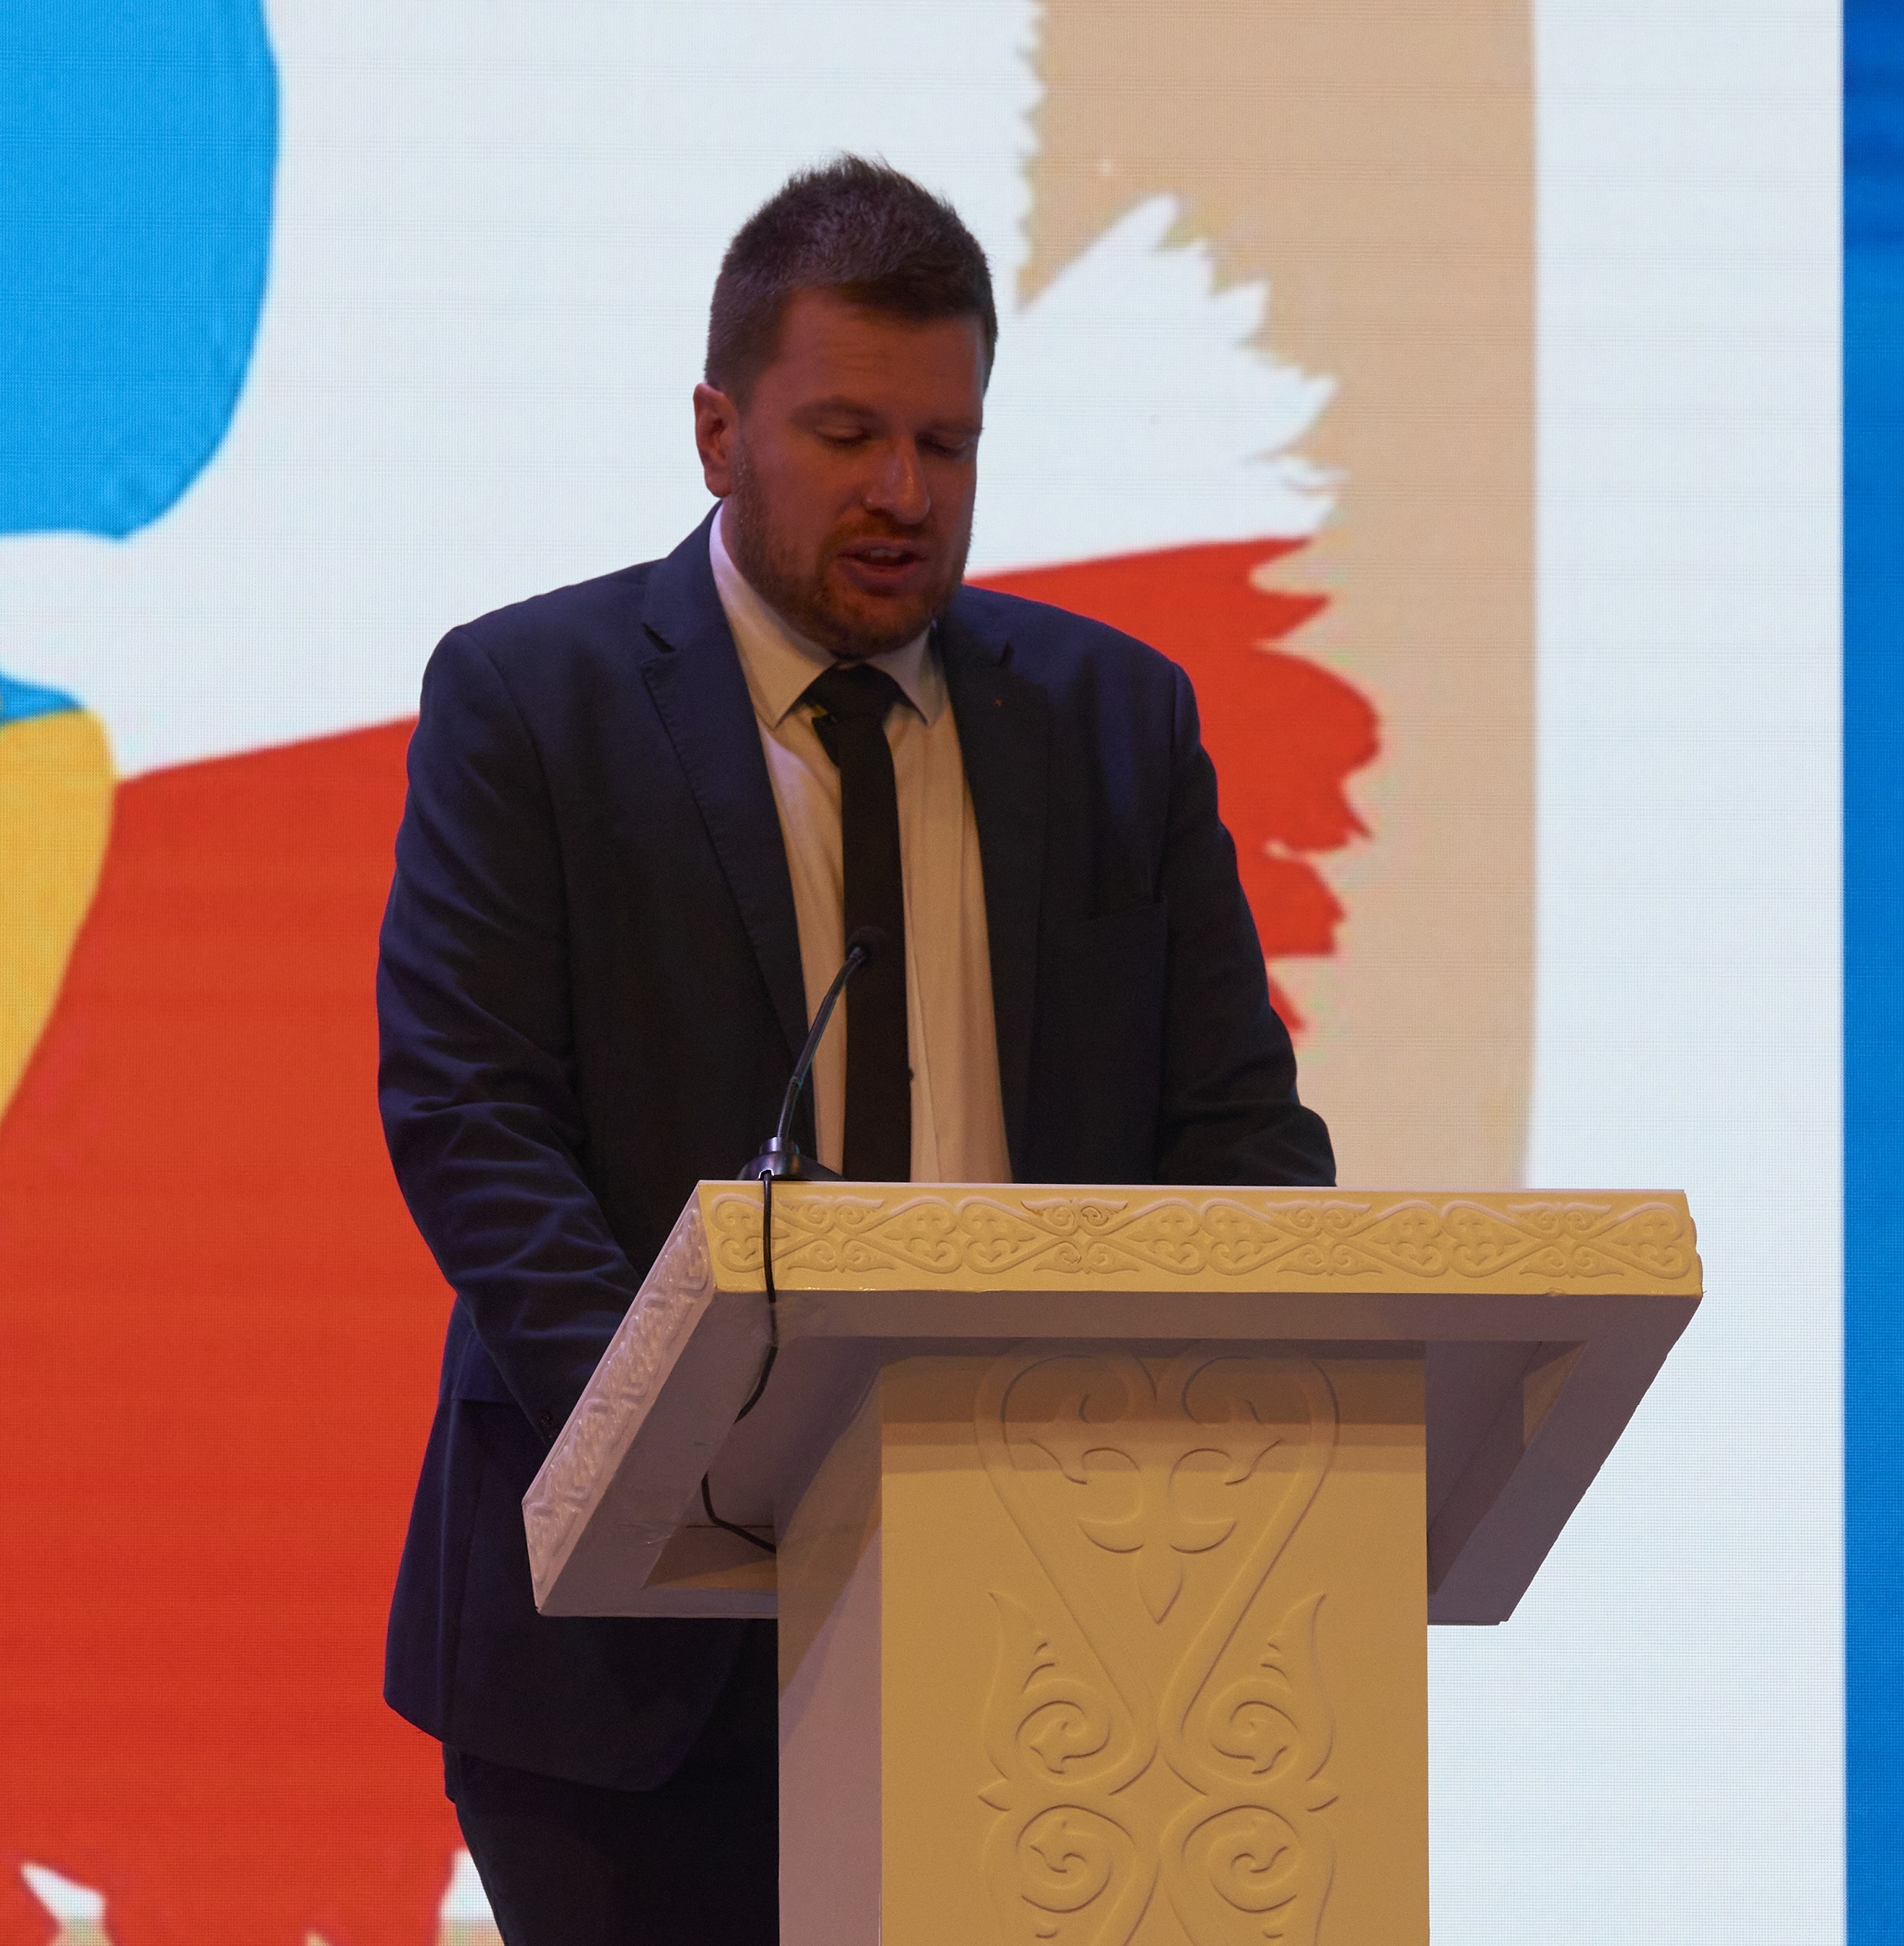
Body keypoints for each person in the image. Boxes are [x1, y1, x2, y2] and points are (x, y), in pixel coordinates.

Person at [375, 154, 1334, 1944]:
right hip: (633, 1668)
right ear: (716, 433)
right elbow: (473, 1114)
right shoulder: (533, 702)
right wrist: (689, 1450)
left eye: (945, 443)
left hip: (1054, 1622)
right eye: (846, 435)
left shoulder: (1113, 721)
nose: (904, 492)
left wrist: (1236, 1430)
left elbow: (1239, 1136)